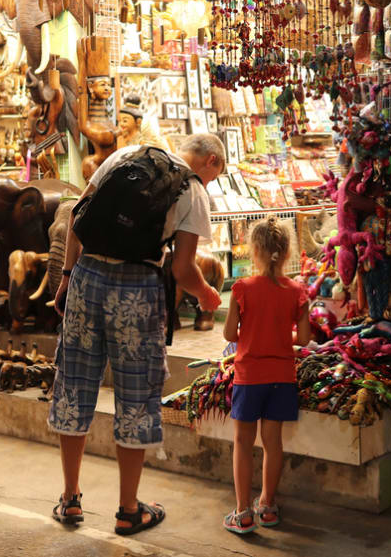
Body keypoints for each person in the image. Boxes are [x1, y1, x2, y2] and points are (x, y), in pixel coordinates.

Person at [48, 134, 226, 536]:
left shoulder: (128, 155)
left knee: (74, 384)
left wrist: (66, 276)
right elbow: (182, 269)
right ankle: (129, 510)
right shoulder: (193, 190)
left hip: (87, 277)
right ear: (211, 162)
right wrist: (206, 294)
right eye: (216, 176)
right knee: (135, 396)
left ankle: (71, 499)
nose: (212, 182)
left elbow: (78, 215)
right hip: (137, 291)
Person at [220, 217, 312, 534]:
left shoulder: (242, 288)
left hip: (250, 375)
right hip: (282, 376)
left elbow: (230, 332)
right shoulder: (298, 291)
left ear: (254, 251)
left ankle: (243, 513)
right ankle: (267, 506)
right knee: (273, 443)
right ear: (286, 253)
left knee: (243, 443)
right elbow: (302, 339)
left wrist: (252, 328)